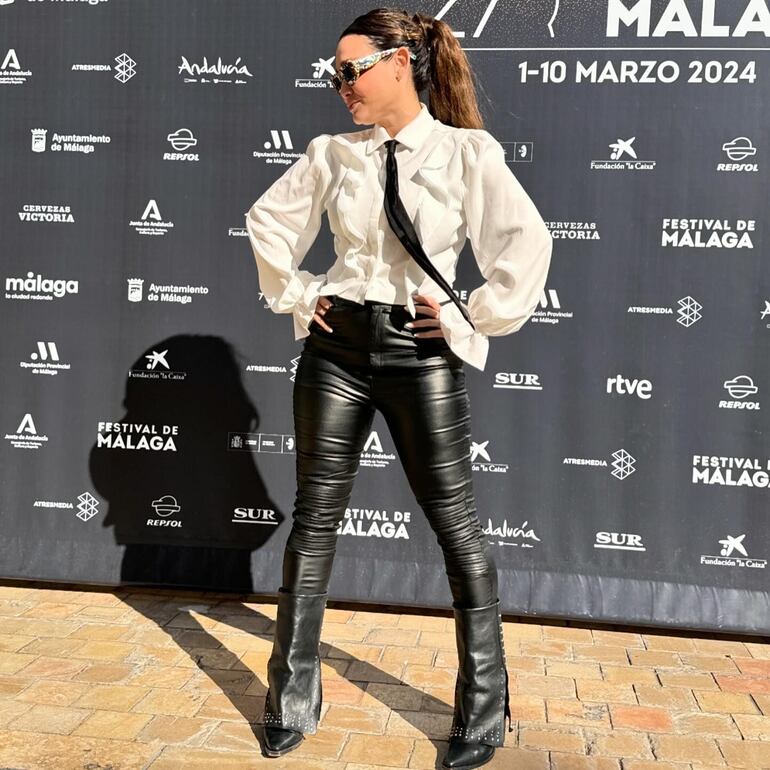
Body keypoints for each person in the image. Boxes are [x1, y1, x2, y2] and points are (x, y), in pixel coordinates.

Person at [245, 7, 552, 769]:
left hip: (421, 353)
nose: (338, 84)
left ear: (400, 63)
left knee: (457, 526)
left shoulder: (465, 153)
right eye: (333, 72)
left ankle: (484, 705)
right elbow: (268, 222)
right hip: (337, 349)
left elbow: (525, 241)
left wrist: (468, 316)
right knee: (313, 522)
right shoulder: (331, 153)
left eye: (350, 69)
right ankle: (292, 694)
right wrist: (298, 294)